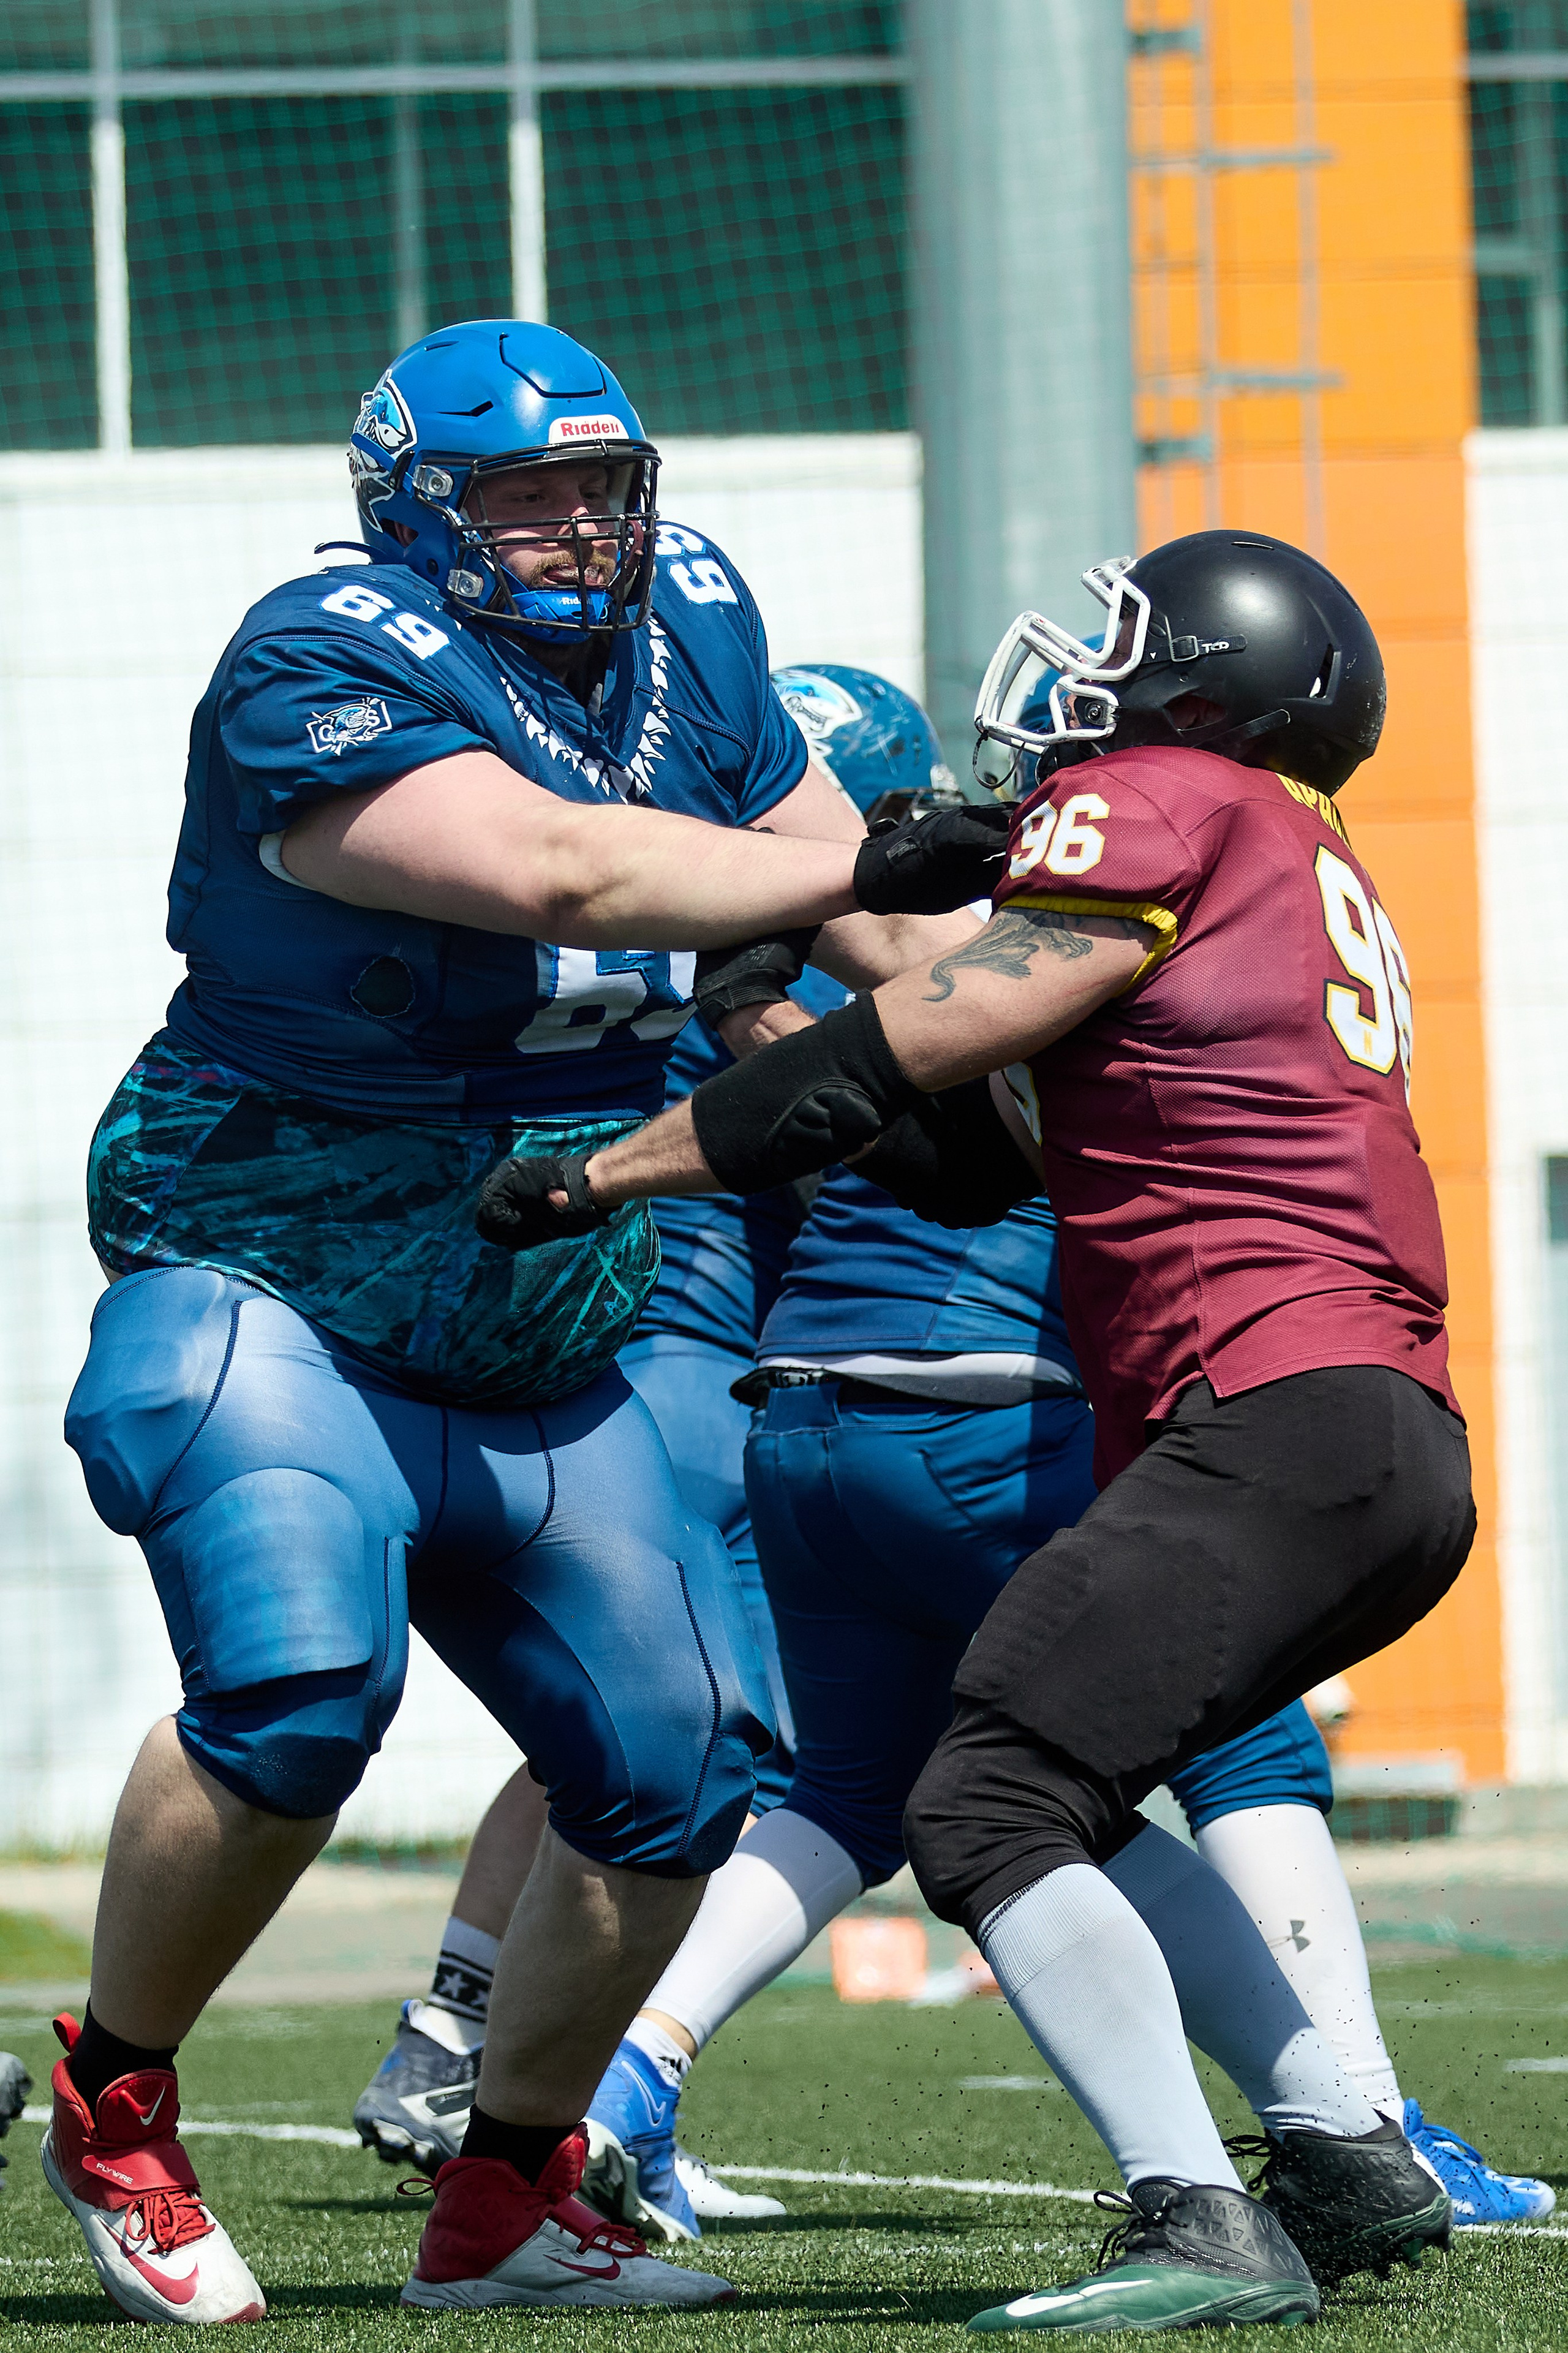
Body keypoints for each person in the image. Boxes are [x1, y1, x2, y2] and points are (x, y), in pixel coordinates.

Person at [50, 321, 992, 2324]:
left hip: (541, 1284)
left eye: (601, 485)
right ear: (417, 514)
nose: (579, 527)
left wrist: (1067, 968)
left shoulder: (702, 621)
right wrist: (875, 862)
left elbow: (880, 919)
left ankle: (508, 2196)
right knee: (301, 1692)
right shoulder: (321, 651)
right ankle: (112, 2098)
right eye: (523, 496)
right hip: (276, 1250)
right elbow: (569, 863)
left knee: (679, 1762)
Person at [483, 531, 1479, 2332]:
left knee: (987, 1797)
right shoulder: (1289, 850)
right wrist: (780, 1011)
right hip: (1370, 1434)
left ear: (1207, 691)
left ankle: (1197, 2213)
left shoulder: (1170, 798)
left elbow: (902, 1051)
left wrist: (600, 1172)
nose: (1078, 701)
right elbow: (962, 1152)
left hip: (1268, 1413)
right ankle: (1344, 2141)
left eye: (1121, 660)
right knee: (1061, 1786)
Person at [350, 662, 946, 2227]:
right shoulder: (784, 978)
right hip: (699, 1367)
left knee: (620, 1735)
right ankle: (598, 2101)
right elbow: (860, 1176)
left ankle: (448, 2028)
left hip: (619, 1350)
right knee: (710, 1750)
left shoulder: (659, 935)